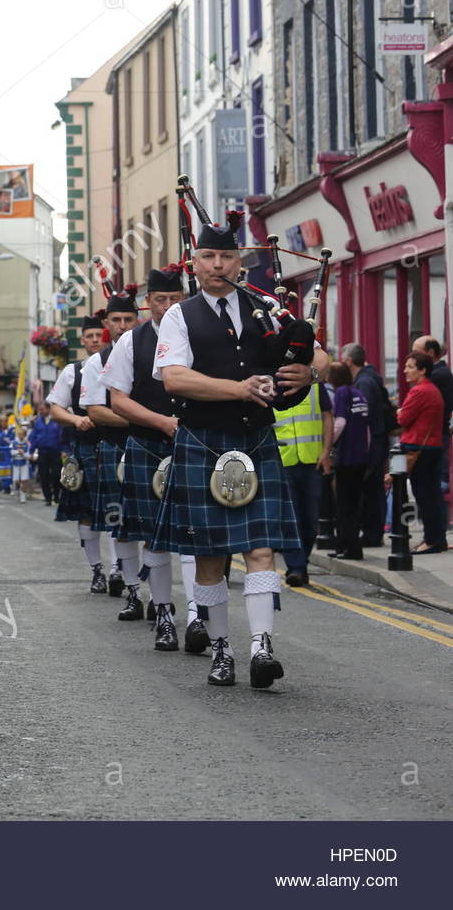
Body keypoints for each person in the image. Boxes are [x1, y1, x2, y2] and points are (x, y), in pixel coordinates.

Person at [152, 210, 324, 689]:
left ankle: (261, 648)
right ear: (194, 262)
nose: (218, 265)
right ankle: (222, 648)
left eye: (227, 256)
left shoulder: (266, 307)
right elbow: (174, 378)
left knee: (260, 550)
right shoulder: (178, 317)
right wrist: (240, 388)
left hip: (256, 439)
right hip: (204, 441)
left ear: (239, 262)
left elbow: (315, 353)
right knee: (209, 557)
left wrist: (310, 372)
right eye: (209, 256)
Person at [102, 265, 207, 651]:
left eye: (174, 299)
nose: (166, 306)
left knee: (198, 535)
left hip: (197, 442)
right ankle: (164, 613)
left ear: (184, 298)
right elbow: (118, 400)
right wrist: (162, 422)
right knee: (155, 537)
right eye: (159, 300)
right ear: (147, 303)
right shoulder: (132, 341)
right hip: (148, 443)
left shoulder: (200, 332)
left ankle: (198, 616)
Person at [81, 286, 141, 607]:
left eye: (128, 318)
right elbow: (95, 411)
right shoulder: (96, 362)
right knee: (122, 522)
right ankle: (132, 588)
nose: (122, 325)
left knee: (160, 528)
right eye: (116, 319)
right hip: (117, 446)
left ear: (137, 318)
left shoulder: (154, 350)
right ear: (107, 321)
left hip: (154, 444)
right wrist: (142, 420)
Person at [48, 314, 108, 594]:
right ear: (83, 341)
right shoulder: (72, 372)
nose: (95, 340)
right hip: (85, 448)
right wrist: (76, 420)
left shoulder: (120, 363)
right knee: (87, 512)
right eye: (90, 337)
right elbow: (56, 408)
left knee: (119, 513)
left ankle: (120, 570)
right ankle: (97, 570)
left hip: (117, 447)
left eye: (99, 335)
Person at [272, 380, 334, 586]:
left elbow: (327, 416)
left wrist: (326, 452)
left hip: (312, 461)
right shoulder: (272, 384)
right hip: (283, 461)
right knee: (291, 519)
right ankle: (296, 567)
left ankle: (302, 562)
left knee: (311, 520)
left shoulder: (315, 385)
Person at [341, 343, 395, 547]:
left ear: (348, 361)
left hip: (372, 442)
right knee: (372, 489)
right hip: (377, 440)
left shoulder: (363, 383)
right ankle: (373, 533)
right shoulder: (369, 378)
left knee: (371, 489)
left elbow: (365, 418)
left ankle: (373, 535)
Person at [396, 352, 446, 554]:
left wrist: (400, 412)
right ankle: (435, 538)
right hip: (431, 447)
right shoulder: (431, 390)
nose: (405, 370)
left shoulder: (420, 391)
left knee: (425, 497)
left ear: (423, 370)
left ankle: (432, 540)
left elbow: (403, 419)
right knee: (432, 496)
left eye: (410, 366)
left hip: (420, 450)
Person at [326, 361, 370, 561]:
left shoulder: (342, 393)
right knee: (353, 504)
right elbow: (366, 429)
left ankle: (348, 547)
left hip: (347, 457)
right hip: (361, 456)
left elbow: (340, 422)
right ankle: (350, 545)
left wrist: (326, 444)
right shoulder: (358, 393)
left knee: (343, 505)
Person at [412, 336, 452, 540]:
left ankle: (435, 535)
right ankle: (434, 535)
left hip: (430, 440)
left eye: (416, 352)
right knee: (430, 488)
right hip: (432, 438)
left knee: (431, 488)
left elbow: (408, 415)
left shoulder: (437, 377)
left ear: (429, 354)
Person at [28, 401, 62, 505]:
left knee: (56, 475)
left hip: (56, 452)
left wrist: (65, 450)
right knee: (43, 476)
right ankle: (48, 498)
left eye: (42, 409)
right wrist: (31, 452)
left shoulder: (57, 420)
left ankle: (56, 496)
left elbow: (62, 436)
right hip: (42, 452)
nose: (40, 412)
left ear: (48, 409)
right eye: (39, 410)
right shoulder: (38, 422)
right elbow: (33, 437)